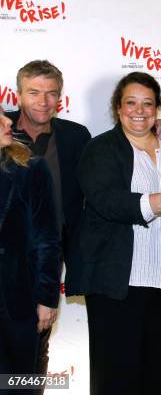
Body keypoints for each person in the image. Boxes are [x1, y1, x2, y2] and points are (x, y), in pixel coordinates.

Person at [73, 72, 161, 395]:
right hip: (120, 285)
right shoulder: (100, 149)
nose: (139, 111)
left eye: (147, 103)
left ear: (158, 109)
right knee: (119, 378)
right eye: (131, 103)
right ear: (117, 107)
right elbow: (107, 201)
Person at [5, 60, 91, 387]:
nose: (43, 101)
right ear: (18, 94)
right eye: (34, 92)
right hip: (6, 258)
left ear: (60, 96)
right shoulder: (2, 130)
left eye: (51, 93)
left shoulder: (75, 137)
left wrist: (160, 128)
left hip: (47, 258)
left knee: (36, 343)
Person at [0, 106, 61, 394]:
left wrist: (47, 299)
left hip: (17, 300)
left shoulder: (31, 168)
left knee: (17, 385)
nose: (6, 121)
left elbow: (47, 239)